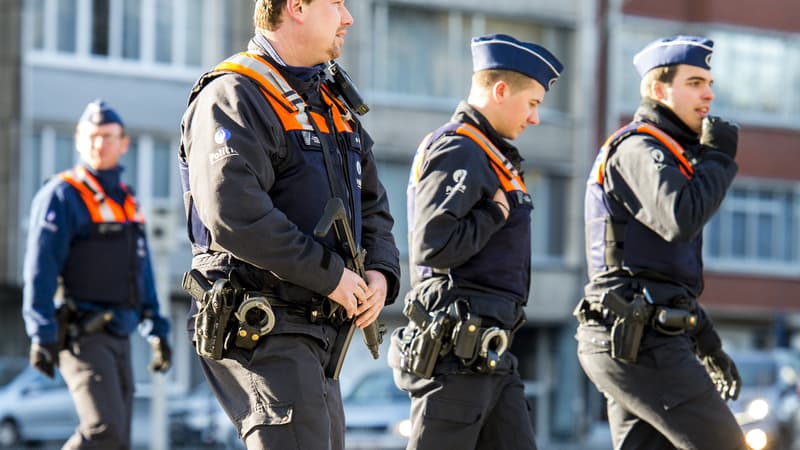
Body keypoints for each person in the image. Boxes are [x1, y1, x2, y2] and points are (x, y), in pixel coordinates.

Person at [177, 0, 401, 448]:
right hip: (264, 323)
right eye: (336, 3)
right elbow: (234, 215)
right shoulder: (235, 94)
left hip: (318, 329)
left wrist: (380, 273)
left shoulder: (333, 103)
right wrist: (332, 276)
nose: (348, 17)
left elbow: (372, 206)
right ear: (296, 7)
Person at [388, 34, 564, 450]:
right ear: (501, 91)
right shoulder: (461, 148)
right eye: (533, 103)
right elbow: (434, 244)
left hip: (489, 350)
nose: (535, 118)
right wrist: (494, 213)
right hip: (456, 351)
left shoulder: (491, 153)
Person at [575, 35, 746, 449]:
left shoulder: (672, 155)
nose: (708, 93)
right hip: (639, 342)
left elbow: (665, 274)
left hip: (638, 338)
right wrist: (718, 160)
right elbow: (679, 218)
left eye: (709, 82)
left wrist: (709, 345)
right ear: (657, 89)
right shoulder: (639, 147)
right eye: (693, 82)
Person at [22, 99, 172, 449]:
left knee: (117, 440)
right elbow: (39, 268)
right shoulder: (62, 195)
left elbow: (141, 269)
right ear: (78, 140)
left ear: (124, 144)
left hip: (119, 334)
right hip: (81, 335)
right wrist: (40, 333)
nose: (98, 144)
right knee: (103, 430)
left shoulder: (126, 200)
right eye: (91, 136)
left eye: (107, 136)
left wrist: (157, 328)